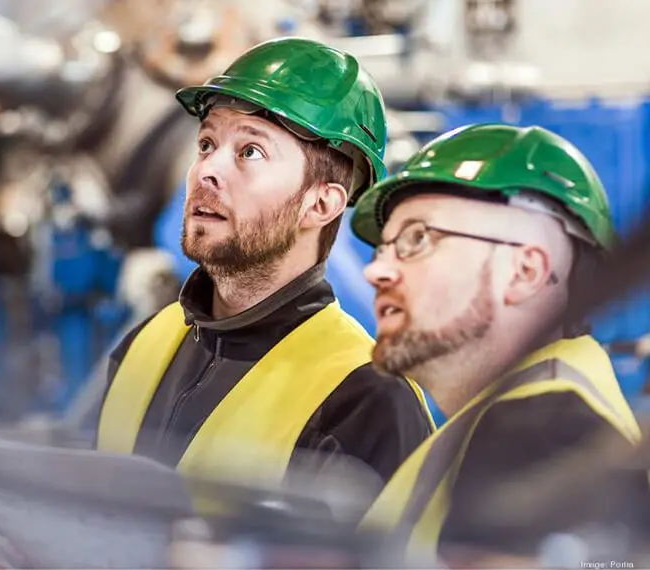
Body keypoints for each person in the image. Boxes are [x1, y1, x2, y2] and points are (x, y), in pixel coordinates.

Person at [95, 37, 434, 497]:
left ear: (320, 203)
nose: (206, 171)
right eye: (207, 143)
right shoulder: (142, 345)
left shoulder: (367, 399)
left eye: (249, 152)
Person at [351, 123, 649, 563]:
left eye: (417, 239)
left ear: (525, 272)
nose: (376, 272)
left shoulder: (544, 430)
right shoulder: (510, 416)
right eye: (383, 250)